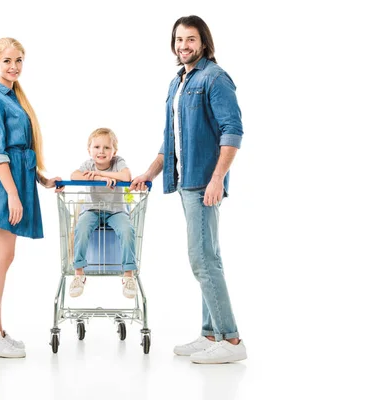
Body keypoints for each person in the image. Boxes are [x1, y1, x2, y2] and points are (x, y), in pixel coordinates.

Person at [130, 15, 247, 364]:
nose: (184, 45)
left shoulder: (215, 78)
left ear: (204, 42)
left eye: (191, 39)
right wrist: (149, 173)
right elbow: (172, 140)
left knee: (202, 260)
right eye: (179, 39)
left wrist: (216, 179)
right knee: (209, 257)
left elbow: (232, 132)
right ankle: (210, 333)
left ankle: (232, 340)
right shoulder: (177, 83)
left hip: (202, 183)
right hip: (184, 183)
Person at [0, 37, 63, 358]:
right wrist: (13, 194)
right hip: (3, 183)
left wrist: (41, 178)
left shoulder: (15, 96)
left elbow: (22, 149)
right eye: (8, 61)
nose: (14, 67)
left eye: (19, 60)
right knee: (2, 257)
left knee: (0, 257)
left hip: (18, 180)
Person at [68, 128, 138, 299]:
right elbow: (74, 175)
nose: (101, 151)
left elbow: (127, 176)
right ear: (89, 150)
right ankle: (79, 273)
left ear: (114, 151)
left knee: (127, 230)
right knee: (81, 228)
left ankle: (128, 275)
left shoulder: (118, 162)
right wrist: (98, 178)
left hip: (116, 211)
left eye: (107, 147)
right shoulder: (87, 165)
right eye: (97, 147)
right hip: (92, 209)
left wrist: (101, 173)